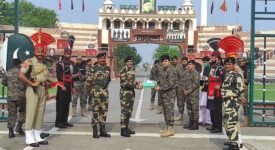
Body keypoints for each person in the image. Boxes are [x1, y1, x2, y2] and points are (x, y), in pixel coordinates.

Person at [19, 44, 51, 147]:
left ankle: (37, 135)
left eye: (42, 52)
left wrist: (46, 89)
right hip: (32, 90)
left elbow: (44, 77)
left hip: (42, 89)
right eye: (38, 51)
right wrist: (31, 83)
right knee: (31, 112)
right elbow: (20, 75)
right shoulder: (29, 62)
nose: (40, 54)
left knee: (39, 113)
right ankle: (29, 137)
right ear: (34, 52)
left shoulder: (44, 63)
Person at [221, 57, 245, 150]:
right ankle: (231, 140)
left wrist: (239, 100)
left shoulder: (236, 75)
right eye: (226, 64)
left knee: (232, 123)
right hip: (226, 102)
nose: (227, 66)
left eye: (229, 64)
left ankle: (234, 145)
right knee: (227, 122)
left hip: (232, 102)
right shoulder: (227, 75)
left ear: (233, 65)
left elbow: (241, 89)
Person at [86, 52, 111, 138]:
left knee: (104, 111)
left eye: (104, 58)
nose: (103, 59)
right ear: (98, 59)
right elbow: (88, 82)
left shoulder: (108, 68)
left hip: (105, 92)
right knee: (95, 111)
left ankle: (102, 130)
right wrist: (90, 92)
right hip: (96, 92)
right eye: (101, 58)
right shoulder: (94, 69)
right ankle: (95, 131)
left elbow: (108, 80)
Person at [2, 59, 26, 138]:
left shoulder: (7, 72)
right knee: (22, 112)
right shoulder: (23, 72)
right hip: (21, 96)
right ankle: (19, 127)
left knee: (11, 114)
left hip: (11, 96)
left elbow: (4, 82)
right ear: (19, 64)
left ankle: (11, 132)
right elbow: (26, 82)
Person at [119, 56, 142, 137]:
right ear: (126, 62)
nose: (129, 63)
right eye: (128, 61)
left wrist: (138, 83)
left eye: (131, 61)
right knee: (124, 112)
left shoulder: (133, 70)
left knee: (129, 112)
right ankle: (123, 130)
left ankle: (126, 127)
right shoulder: (123, 70)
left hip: (131, 93)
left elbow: (132, 82)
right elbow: (125, 83)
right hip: (125, 93)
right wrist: (137, 86)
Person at [155, 55, 176, 137]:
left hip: (169, 95)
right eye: (163, 61)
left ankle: (170, 129)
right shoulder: (163, 70)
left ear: (169, 62)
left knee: (169, 112)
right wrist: (154, 84)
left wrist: (160, 87)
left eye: (166, 61)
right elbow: (160, 81)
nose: (164, 62)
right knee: (165, 112)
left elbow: (170, 84)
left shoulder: (172, 70)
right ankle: (168, 127)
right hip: (163, 94)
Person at [55, 48, 74, 128]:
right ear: (64, 53)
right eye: (67, 53)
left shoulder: (71, 63)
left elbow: (72, 76)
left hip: (69, 86)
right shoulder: (60, 63)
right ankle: (58, 122)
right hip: (62, 86)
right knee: (61, 105)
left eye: (70, 54)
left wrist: (72, 87)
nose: (68, 55)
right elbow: (59, 76)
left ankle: (65, 121)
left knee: (66, 104)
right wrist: (62, 85)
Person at [206, 51, 225, 133]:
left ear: (218, 58)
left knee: (217, 109)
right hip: (211, 90)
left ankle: (218, 127)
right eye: (212, 57)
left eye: (214, 57)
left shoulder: (221, 68)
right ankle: (213, 125)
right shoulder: (212, 67)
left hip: (217, 91)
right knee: (211, 108)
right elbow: (207, 75)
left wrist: (220, 86)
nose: (212, 59)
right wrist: (208, 65)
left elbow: (224, 79)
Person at [182, 60, 200, 130]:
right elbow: (183, 82)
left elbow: (195, 84)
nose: (189, 65)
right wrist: (184, 90)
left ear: (194, 65)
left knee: (194, 109)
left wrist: (188, 91)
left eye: (190, 64)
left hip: (193, 94)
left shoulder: (196, 73)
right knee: (189, 109)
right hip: (187, 94)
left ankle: (195, 124)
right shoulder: (186, 73)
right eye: (188, 64)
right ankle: (191, 122)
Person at [238, 55, 250, 126]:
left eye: (241, 61)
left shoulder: (247, 68)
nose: (239, 63)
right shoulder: (239, 67)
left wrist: (239, 80)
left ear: (244, 61)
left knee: (244, 103)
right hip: (238, 86)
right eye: (239, 61)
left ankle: (247, 120)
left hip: (244, 87)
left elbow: (247, 80)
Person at [199, 56, 211, 126]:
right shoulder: (203, 70)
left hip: (207, 90)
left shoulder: (210, 69)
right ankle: (201, 120)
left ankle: (208, 120)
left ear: (209, 61)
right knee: (201, 105)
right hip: (202, 90)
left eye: (206, 62)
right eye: (203, 62)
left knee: (207, 106)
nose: (204, 63)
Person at [175, 56, 188, 121]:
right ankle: (181, 115)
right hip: (180, 88)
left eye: (185, 61)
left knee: (189, 103)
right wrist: (177, 85)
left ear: (187, 62)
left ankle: (191, 116)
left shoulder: (189, 68)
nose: (184, 62)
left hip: (188, 89)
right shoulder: (178, 69)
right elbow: (176, 78)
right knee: (180, 102)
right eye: (183, 61)